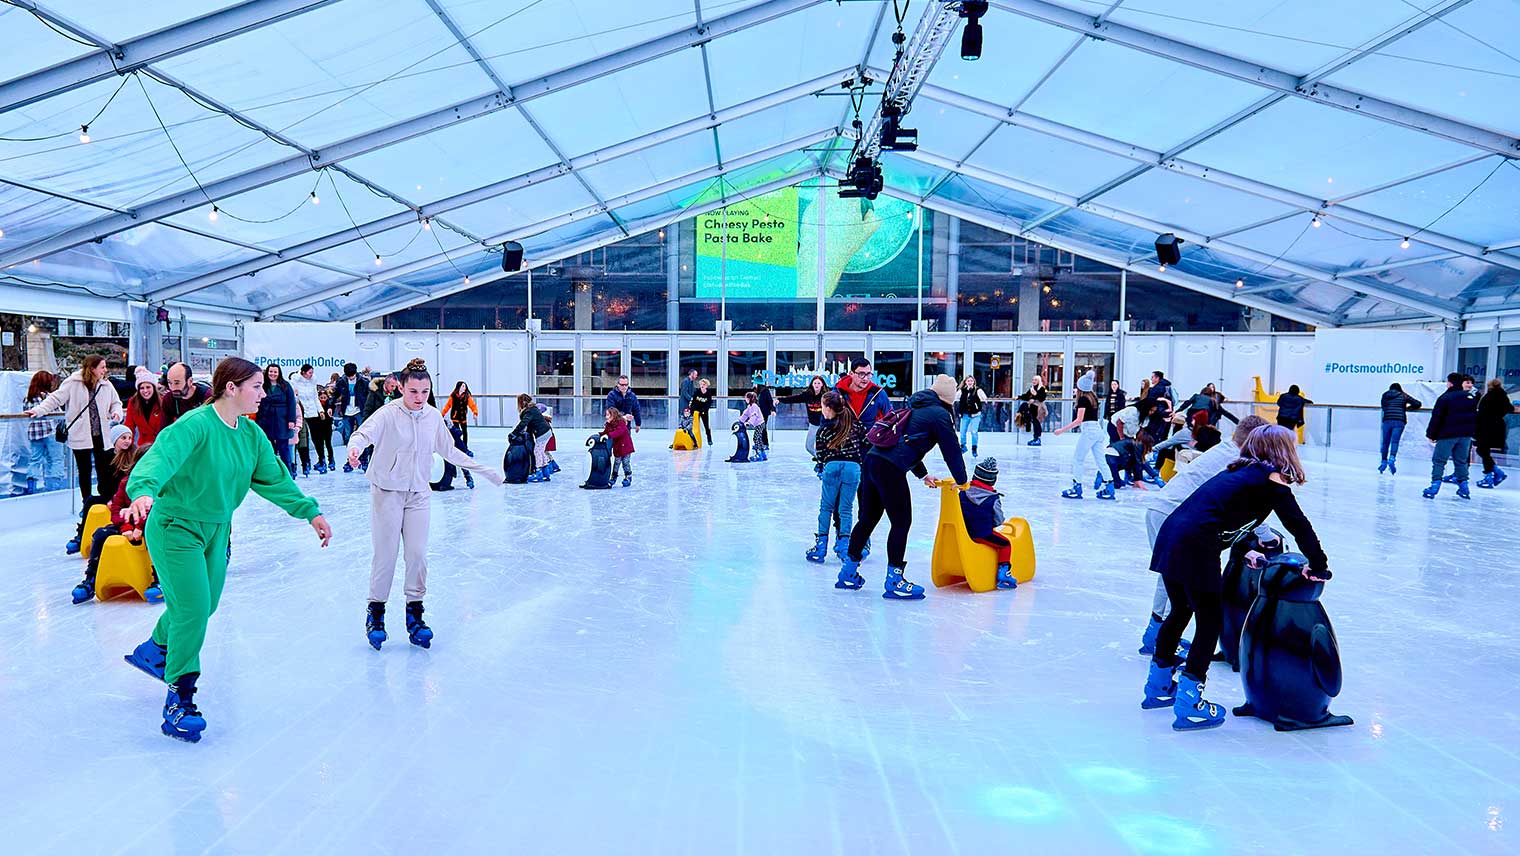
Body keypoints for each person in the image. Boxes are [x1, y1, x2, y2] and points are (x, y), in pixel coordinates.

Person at [120, 357, 332, 743]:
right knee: (194, 609)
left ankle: (155, 648)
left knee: (205, 605)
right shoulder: (195, 425)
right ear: (231, 388)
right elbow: (159, 459)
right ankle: (179, 700)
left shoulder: (250, 436)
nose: (264, 393)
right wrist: (143, 492)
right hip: (174, 527)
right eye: (256, 386)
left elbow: (274, 479)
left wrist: (309, 512)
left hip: (218, 529)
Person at [1143, 425, 1329, 731]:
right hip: (1195, 545)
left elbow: (1227, 514)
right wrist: (1319, 565)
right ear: (1282, 450)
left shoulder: (1238, 472)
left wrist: (1244, 549)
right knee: (1209, 621)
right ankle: (1190, 703)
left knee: (1180, 611)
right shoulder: (1271, 480)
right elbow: (1298, 525)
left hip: (1173, 536)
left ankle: (1158, 687)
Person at [347, 361, 502, 653]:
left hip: (418, 493)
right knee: (386, 555)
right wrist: (356, 448)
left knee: (417, 556)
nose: (419, 396)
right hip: (387, 492)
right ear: (402, 388)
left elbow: (449, 450)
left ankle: (415, 615)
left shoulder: (432, 417)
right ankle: (376, 615)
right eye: (414, 391)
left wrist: (484, 470)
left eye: (425, 391)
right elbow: (363, 434)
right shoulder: (388, 414)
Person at [1137, 414, 1268, 655]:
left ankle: (1155, 634)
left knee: (1169, 578)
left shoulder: (1224, 449)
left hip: (1160, 509)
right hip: (1175, 516)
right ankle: (1161, 638)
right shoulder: (1239, 461)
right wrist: (1266, 536)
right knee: (1178, 584)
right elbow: (1250, 502)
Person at [836, 374, 967, 600]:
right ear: (949, 397)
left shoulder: (919, 407)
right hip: (889, 469)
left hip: (872, 461)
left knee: (867, 519)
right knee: (901, 522)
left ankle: (848, 572)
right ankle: (895, 580)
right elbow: (952, 451)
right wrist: (962, 479)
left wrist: (922, 474)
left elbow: (905, 443)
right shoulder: (940, 415)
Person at [25, 354, 124, 508]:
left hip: (102, 436)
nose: (105, 370)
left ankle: (105, 501)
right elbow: (55, 399)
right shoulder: (73, 383)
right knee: (84, 471)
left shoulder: (105, 384)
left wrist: (117, 412)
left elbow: (116, 402)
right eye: (102, 367)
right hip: (81, 435)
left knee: (104, 470)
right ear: (92, 369)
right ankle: (86, 503)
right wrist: (38, 410)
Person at [72, 440, 162, 605]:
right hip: (127, 526)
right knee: (101, 534)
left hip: (150, 526)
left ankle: (160, 579)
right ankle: (91, 579)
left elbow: (155, 510)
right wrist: (126, 527)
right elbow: (116, 508)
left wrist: (140, 528)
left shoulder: (160, 485)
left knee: (157, 537)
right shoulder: (126, 483)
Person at [807, 390, 865, 563]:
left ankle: (821, 547)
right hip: (853, 468)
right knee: (845, 509)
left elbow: (821, 454)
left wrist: (823, 465)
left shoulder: (824, 429)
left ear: (828, 408)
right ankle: (844, 547)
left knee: (826, 508)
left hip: (832, 467)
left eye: (822, 406)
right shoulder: (856, 425)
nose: (821, 410)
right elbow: (866, 444)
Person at [959, 458, 1019, 590]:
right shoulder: (992, 498)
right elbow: (999, 520)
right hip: (982, 534)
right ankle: (1004, 573)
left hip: (965, 531)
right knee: (1005, 544)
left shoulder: (962, 492)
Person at [1423, 372, 1480, 499]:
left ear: (1450, 383)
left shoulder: (1445, 398)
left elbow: (1437, 417)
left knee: (1439, 460)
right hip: (1465, 435)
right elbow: (1474, 418)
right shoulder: (1470, 398)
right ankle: (1464, 487)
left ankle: (1434, 486)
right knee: (1461, 461)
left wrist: (1431, 434)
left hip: (1447, 434)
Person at [1054, 371, 1108, 499]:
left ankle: (1077, 487)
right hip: (1097, 430)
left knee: (1078, 459)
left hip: (1089, 431)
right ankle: (1109, 486)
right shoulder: (1093, 397)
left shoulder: (1083, 399)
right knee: (1101, 461)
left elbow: (1079, 420)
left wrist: (1061, 430)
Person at [433, 381, 480, 490]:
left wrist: (475, 412)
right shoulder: (453, 396)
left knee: (464, 433)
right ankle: (466, 478)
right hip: (455, 418)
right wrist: (442, 414)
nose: (464, 388)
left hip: (463, 418)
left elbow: (472, 405)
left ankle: (468, 478)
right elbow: (448, 405)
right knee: (457, 459)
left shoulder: (466, 396)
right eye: (462, 386)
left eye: (465, 386)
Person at [255, 364, 299, 477]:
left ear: (279, 373)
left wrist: (291, 420)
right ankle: (272, 473)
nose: (272, 374)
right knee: (269, 448)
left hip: (282, 420)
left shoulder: (285, 386)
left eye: (275, 372)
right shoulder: (263, 385)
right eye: (270, 371)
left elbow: (291, 403)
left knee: (283, 448)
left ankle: (288, 472)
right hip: (266, 419)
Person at [20, 371, 59, 496]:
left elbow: (26, 412)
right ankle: (54, 486)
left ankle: (32, 484)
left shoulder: (28, 398)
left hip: (34, 432)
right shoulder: (49, 397)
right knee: (55, 459)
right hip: (50, 431)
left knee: (35, 459)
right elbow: (58, 414)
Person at [1378, 382, 1422, 474]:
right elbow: (1417, 403)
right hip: (1399, 420)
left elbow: (1384, 407)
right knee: (1395, 441)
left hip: (1387, 420)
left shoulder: (1385, 395)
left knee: (1385, 442)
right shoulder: (1403, 395)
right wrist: (1406, 409)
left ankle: (1383, 461)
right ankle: (1392, 459)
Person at [834, 358, 893, 427]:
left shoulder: (879, 393)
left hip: (870, 436)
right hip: (843, 436)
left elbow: (891, 419)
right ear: (851, 374)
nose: (865, 378)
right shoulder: (837, 393)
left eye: (868, 374)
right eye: (861, 374)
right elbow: (826, 421)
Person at [777, 376, 827, 456]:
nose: (816, 385)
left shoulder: (826, 396)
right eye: (815, 383)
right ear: (812, 385)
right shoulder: (807, 395)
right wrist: (780, 400)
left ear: (822, 385)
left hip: (825, 425)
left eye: (818, 383)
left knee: (825, 446)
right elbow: (794, 399)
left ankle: (824, 462)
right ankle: (820, 459)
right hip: (813, 425)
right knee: (808, 446)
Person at [1476, 378, 1512, 489]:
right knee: (1484, 451)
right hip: (1499, 427)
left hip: (1486, 427)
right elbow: (1509, 408)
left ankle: (1491, 475)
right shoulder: (1504, 396)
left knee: (1482, 450)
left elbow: (1480, 413)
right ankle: (1495, 472)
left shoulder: (1487, 397)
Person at [290, 364, 324, 477]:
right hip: (301, 413)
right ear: (303, 373)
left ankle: (322, 460)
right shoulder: (295, 382)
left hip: (313, 412)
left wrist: (321, 411)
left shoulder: (312, 383)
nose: (311, 375)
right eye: (309, 372)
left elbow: (315, 398)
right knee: (302, 439)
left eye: (312, 372)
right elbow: (294, 397)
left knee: (317, 437)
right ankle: (304, 462)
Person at [514, 393, 556, 482]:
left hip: (542, 434)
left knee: (537, 452)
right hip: (546, 432)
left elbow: (524, 423)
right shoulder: (533, 409)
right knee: (541, 452)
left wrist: (514, 433)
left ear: (522, 402)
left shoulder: (528, 411)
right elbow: (529, 425)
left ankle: (538, 473)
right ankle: (545, 473)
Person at [122, 367, 165, 445]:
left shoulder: (163, 402)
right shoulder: (133, 403)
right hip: (143, 445)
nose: (145, 391)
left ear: (154, 388)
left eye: (148, 387)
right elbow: (129, 426)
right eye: (142, 388)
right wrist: (127, 444)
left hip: (161, 444)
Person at [161, 363, 210, 427]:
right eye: (170, 383)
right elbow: (165, 430)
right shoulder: (169, 399)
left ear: (190, 381)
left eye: (177, 383)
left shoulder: (207, 397)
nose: (172, 388)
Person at [332, 362, 369, 445]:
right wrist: (330, 406)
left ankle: (363, 455)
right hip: (346, 411)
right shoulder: (341, 381)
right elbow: (335, 394)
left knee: (362, 433)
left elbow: (369, 396)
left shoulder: (363, 382)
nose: (351, 378)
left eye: (352, 375)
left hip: (359, 410)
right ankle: (350, 454)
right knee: (348, 435)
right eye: (349, 376)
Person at [600, 405, 636, 487]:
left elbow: (618, 432)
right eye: (606, 415)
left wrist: (608, 435)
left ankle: (628, 477)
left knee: (625, 463)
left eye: (608, 415)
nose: (606, 417)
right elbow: (605, 432)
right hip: (618, 448)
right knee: (616, 463)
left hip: (626, 447)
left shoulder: (621, 423)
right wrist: (600, 436)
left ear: (613, 415)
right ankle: (613, 477)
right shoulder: (609, 424)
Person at [956, 375, 988, 458]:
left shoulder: (977, 390)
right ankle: (963, 446)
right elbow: (955, 397)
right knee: (962, 432)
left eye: (971, 381)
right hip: (965, 414)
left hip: (975, 414)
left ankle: (974, 448)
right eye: (968, 381)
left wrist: (984, 399)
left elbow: (983, 396)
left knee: (974, 432)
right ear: (965, 382)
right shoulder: (962, 390)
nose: (970, 382)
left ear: (974, 382)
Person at [1016, 375, 1047, 446]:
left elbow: (1042, 398)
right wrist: (1018, 397)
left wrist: (1035, 397)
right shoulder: (1032, 389)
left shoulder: (1042, 388)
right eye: (1033, 380)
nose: (1034, 381)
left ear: (1039, 381)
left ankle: (1038, 438)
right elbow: (1026, 396)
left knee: (1036, 423)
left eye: (1035, 380)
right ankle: (1034, 435)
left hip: (1038, 408)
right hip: (1032, 408)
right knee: (1024, 406)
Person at [739, 391, 767, 461]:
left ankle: (759, 454)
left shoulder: (754, 406)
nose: (745, 399)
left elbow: (754, 415)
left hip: (760, 424)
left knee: (756, 438)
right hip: (758, 424)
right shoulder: (749, 406)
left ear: (749, 399)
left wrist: (749, 422)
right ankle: (763, 454)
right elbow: (745, 414)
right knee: (759, 439)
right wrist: (740, 421)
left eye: (746, 398)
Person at [688, 378, 715, 446]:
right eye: (701, 384)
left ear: (706, 385)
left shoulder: (708, 393)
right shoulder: (697, 392)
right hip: (696, 410)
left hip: (703, 411)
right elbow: (693, 401)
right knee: (693, 425)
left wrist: (703, 410)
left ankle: (709, 439)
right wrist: (692, 409)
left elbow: (708, 403)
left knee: (706, 426)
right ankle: (692, 439)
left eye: (703, 384)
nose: (702, 386)